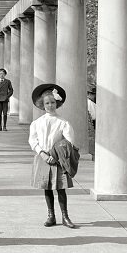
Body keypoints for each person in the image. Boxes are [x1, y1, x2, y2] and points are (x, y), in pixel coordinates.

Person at [29, 83, 79, 229]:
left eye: (52, 103)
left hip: (58, 159)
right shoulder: (37, 123)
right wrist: (42, 154)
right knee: (48, 187)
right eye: (47, 103)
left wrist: (57, 154)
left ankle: (65, 216)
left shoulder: (63, 122)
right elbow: (33, 140)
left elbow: (69, 141)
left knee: (60, 188)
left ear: (57, 103)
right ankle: (51, 215)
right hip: (43, 157)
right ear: (42, 104)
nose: (50, 105)